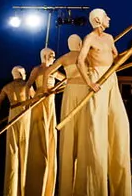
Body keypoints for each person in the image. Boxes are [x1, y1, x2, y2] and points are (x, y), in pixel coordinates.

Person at [75, 8, 132, 196]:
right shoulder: (89, 39)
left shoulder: (110, 38)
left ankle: (120, 186)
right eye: (106, 16)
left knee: (121, 123)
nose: (109, 18)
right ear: (97, 19)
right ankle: (96, 187)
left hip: (111, 78)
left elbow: (116, 58)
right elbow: (80, 61)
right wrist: (90, 83)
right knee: (97, 129)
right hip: (97, 79)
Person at [51, 34, 91, 196]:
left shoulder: (64, 57)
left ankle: (68, 184)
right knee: (84, 130)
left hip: (70, 90)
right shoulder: (85, 55)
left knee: (70, 132)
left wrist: (66, 78)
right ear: (80, 43)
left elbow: (49, 72)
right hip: (83, 90)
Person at [25, 47, 64, 196]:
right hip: (40, 99)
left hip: (50, 100)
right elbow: (28, 84)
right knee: (39, 125)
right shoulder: (37, 69)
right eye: (52, 55)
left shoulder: (53, 69)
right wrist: (34, 95)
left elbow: (65, 80)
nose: (54, 57)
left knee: (49, 126)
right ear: (45, 56)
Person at [0, 66, 34, 196]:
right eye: (24, 73)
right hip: (24, 114)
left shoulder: (7, 87)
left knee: (13, 149)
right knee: (24, 147)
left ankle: (12, 190)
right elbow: (35, 98)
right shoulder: (26, 85)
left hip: (13, 113)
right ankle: (22, 189)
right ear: (21, 74)